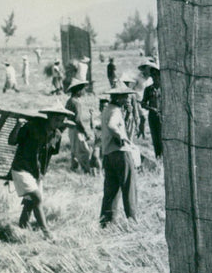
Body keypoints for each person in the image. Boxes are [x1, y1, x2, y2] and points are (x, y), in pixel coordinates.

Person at [8, 106, 75, 235]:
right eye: (56, 119)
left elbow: (49, 154)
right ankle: (46, 232)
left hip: (37, 173)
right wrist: (17, 126)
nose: (58, 123)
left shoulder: (57, 135)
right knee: (37, 198)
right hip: (22, 168)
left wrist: (41, 175)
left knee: (30, 203)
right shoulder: (31, 127)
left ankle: (22, 229)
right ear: (48, 117)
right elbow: (11, 141)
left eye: (61, 121)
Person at [99, 87, 138, 227]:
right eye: (125, 96)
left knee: (111, 190)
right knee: (129, 187)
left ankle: (106, 222)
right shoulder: (115, 111)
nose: (127, 99)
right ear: (118, 97)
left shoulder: (107, 110)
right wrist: (122, 138)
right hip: (120, 153)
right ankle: (132, 221)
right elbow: (112, 126)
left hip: (108, 155)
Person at [64, 79, 93, 172]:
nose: (84, 92)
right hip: (77, 129)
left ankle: (74, 168)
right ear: (78, 91)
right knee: (84, 151)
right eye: (83, 89)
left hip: (71, 129)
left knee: (74, 150)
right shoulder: (77, 103)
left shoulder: (69, 101)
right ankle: (87, 170)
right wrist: (85, 132)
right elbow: (78, 120)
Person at [141, 64, 162, 158]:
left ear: (159, 75)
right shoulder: (148, 89)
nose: (153, 77)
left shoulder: (165, 88)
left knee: (163, 137)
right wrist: (151, 108)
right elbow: (143, 103)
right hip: (153, 116)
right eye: (152, 75)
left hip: (163, 116)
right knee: (155, 137)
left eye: (155, 75)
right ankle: (158, 157)